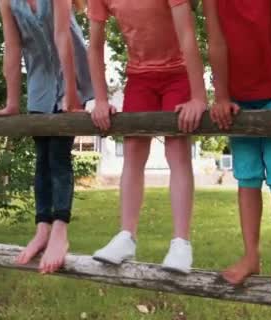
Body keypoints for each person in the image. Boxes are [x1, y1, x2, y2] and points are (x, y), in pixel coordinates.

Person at [87, 0, 207, 274]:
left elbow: (188, 35)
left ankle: (181, 243)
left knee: (177, 150)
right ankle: (126, 236)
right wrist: (101, 100)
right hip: (139, 78)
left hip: (178, 73)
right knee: (133, 152)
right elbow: (93, 47)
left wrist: (199, 97)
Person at [202, 0, 271, 298]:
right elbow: (216, 42)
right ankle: (251, 256)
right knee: (246, 175)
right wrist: (221, 96)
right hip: (238, 96)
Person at [0, 0, 94, 274]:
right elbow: (12, 47)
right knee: (42, 159)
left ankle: (60, 230)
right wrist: (12, 102)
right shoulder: (7, 2)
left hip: (72, 75)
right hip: (40, 81)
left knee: (59, 156)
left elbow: (63, 37)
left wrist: (71, 97)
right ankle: (42, 229)